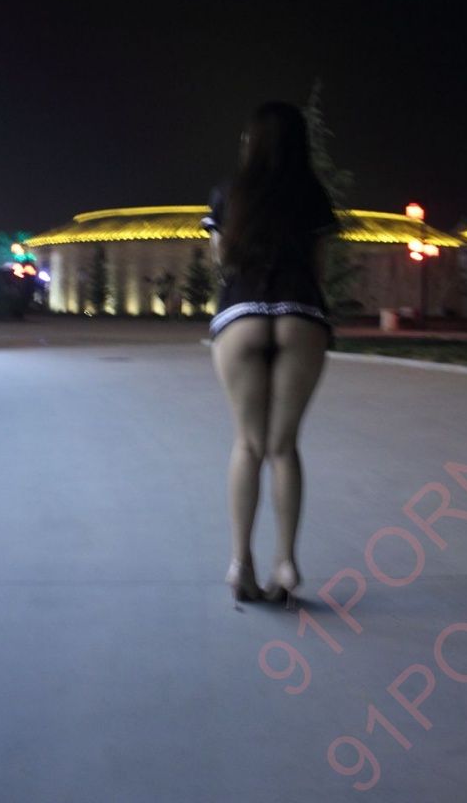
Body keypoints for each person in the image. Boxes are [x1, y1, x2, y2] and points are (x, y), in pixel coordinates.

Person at [200, 101, 342, 609]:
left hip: (241, 313)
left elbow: (220, 258)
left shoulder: (228, 192)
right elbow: (320, 269)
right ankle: (286, 561)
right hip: (300, 314)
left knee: (248, 444)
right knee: (282, 447)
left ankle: (241, 562)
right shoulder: (313, 194)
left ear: (251, 143)